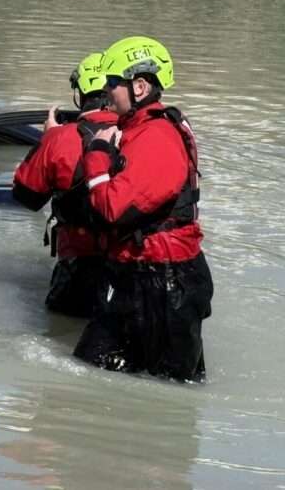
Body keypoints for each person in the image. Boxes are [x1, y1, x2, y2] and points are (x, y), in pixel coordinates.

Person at [74, 36, 214, 382]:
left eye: (113, 84)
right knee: (90, 369)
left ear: (140, 85)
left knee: (169, 390)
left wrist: (96, 155)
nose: (108, 93)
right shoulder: (139, 131)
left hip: (163, 284)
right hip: (140, 275)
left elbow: (112, 210)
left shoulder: (156, 139)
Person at [12, 52, 118, 318]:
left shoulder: (61, 138)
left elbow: (27, 196)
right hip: (133, 264)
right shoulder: (143, 133)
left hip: (79, 264)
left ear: (80, 94)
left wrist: (48, 139)